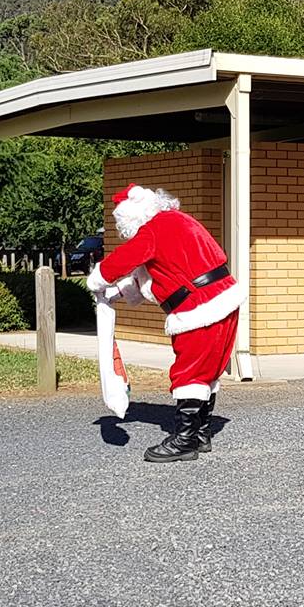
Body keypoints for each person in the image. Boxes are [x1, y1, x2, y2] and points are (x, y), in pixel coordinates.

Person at [88, 184, 242, 462]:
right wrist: (118, 292)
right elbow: (158, 271)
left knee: (189, 373)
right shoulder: (178, 222)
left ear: (131, 216)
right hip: (223, 300)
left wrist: (97, 279)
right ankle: (200, 434)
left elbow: (123, 260)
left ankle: (185, 441)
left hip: (199, 308)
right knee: (207, 371)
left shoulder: (153, 230)